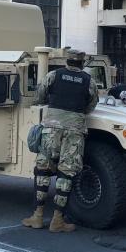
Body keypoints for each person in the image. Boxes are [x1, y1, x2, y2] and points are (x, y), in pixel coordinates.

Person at [22, 48, 97, 233]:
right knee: (66, 173)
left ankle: (37, 216)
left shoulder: (53, 75)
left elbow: (39, 96)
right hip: (75, 130)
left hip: (51, 127)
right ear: (81, 63)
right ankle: (57, 220)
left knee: (43, 169)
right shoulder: (89, 81)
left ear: (67, 61)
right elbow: (91, 105)